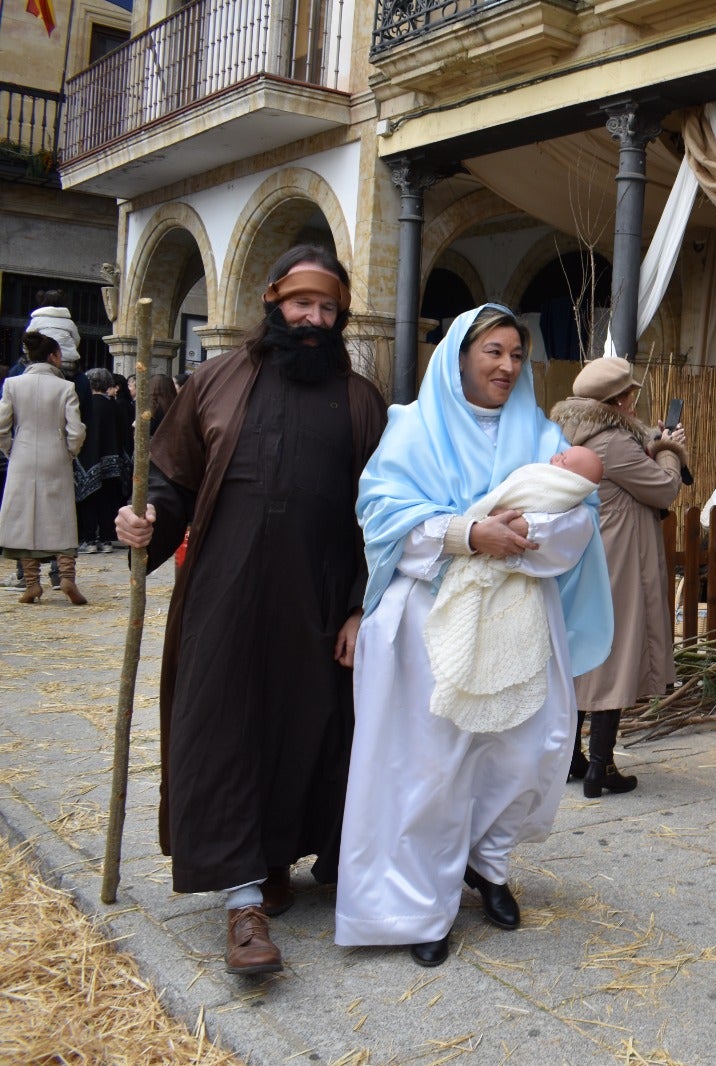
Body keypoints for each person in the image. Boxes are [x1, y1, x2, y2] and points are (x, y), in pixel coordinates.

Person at [115, 245, 387, 975]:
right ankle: (242, 905)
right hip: (224, 601)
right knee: (224, 734)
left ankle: (274, 864)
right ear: (272, 301)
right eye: (303, 304)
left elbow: (382, 519)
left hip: (318, 605)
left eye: (329, 308)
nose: (314, 319)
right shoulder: (215, 381)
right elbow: (172, 482)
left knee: (305, 734)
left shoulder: (361, 400)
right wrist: (147, 524)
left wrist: (361, 608)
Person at [338, 306, 612, 968]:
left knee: (529, 746)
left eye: (517, 354)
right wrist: (467, 535)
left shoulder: (540, 432)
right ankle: (419, 904)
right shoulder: (411, 428)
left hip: (518, 613)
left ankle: (486, 865)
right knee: (431, 764)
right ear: (461, 354)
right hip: (427, 622)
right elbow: (382, 516)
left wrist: (521, 541)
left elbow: (577, 516)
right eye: (494, 351)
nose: (507, 366)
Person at [550, 357, 687, 797]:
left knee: (579, 659)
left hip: (583, 559)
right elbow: (663, 487)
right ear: (621, 399)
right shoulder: (612, 442)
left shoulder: (572, 434)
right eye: (631, 395)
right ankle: (601, 767)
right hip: (618, 561)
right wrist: (669, 450)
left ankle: (571, 757)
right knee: (613, 659)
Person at [0, 331, 87, 604]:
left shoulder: (12, 384)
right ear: (52, 357)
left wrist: (10, 449)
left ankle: (32, 583)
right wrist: (71, 451)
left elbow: (2, 425)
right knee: (61, 514)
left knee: (25, 516)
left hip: (22, 455)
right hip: (56, 454)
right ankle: (67, 577)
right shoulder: (65, 388)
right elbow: (76, 430)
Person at [77, 367, 127, 553]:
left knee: (89, 499)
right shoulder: (115, 405)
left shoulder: (86, 406)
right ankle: (106, 539)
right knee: (108, 500)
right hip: (113, 460)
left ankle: (90, 540)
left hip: (89, 459)